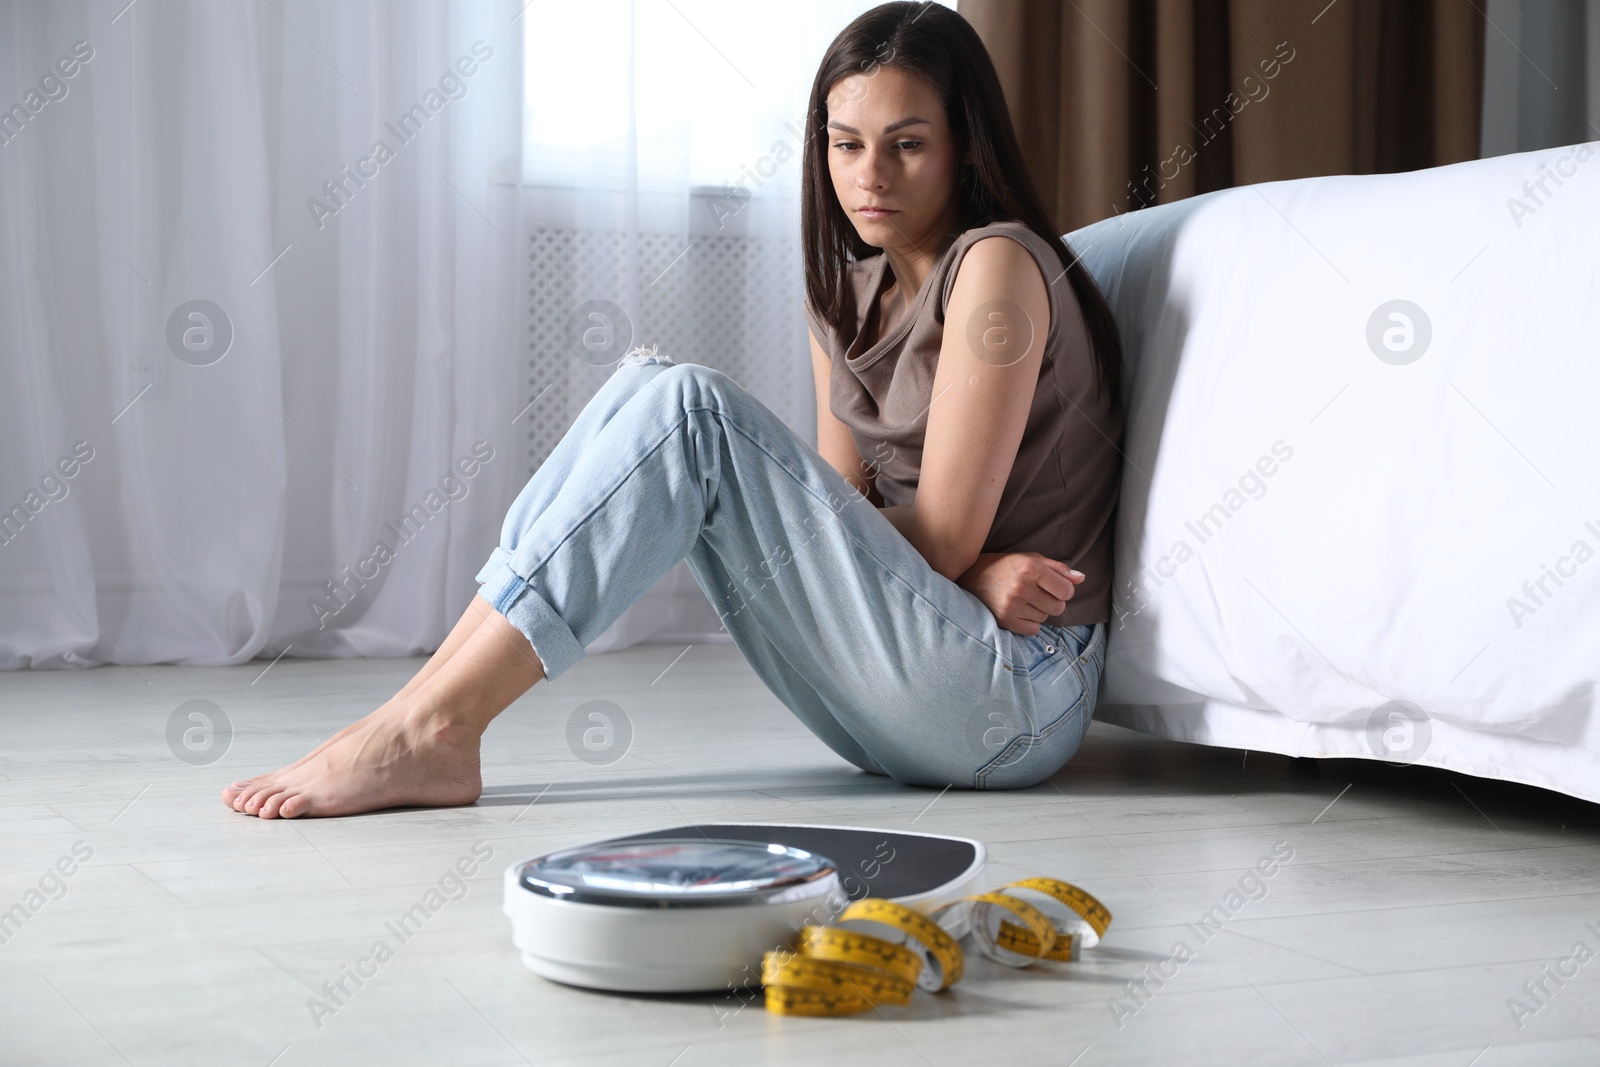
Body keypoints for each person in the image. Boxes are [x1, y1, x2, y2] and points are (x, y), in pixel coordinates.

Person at [220, 1, 1124, 820]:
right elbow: (845, 511)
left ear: (967, 145)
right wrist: (960, 569)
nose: (870, 174)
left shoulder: (997, 265)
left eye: (908, 142)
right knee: (644, 389)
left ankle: (430, 728)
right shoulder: (842, 291)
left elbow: (934, 541)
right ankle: (417, 714)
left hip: (1019, 690)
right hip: (926, 660)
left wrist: (959, 568)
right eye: (845, 143)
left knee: (691, 408)